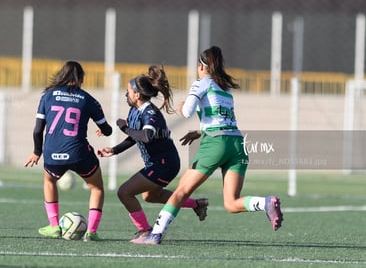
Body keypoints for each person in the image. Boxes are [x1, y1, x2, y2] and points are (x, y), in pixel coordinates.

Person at [133, 46, 284, 245]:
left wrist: (180, 107)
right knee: (231, 203)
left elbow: (187, 112)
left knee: (180, 193)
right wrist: (199, 132)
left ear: (202, 66)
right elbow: (222, 119)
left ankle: (155, 235)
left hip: (216, 144)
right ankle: (265, 203)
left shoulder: (202, 83)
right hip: (237, 144)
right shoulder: (225, 87)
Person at [97, 65, 208, 242]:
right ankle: (197, 204)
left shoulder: (150, 113)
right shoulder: (135, 110)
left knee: (124, 192)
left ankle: (145, 231)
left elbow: (146, 136)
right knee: (150, 196)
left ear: (137, 95)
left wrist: (124, 127)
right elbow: (136, 137)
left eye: (128, 91)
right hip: (159, 163)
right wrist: (114, 150)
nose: (126, 95)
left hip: (165, 163)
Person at [24, 61, 112, 242]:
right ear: (81, 78)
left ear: (62, 76)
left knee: (49, 180)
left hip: (52, 152)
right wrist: (103, 130)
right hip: (79, 152)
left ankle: (54, 226)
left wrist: (36, 152)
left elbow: (37, 130)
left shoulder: (47, 96)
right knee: (96, 188)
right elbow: (108, 130)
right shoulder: (88, 99)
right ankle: (92, 232)